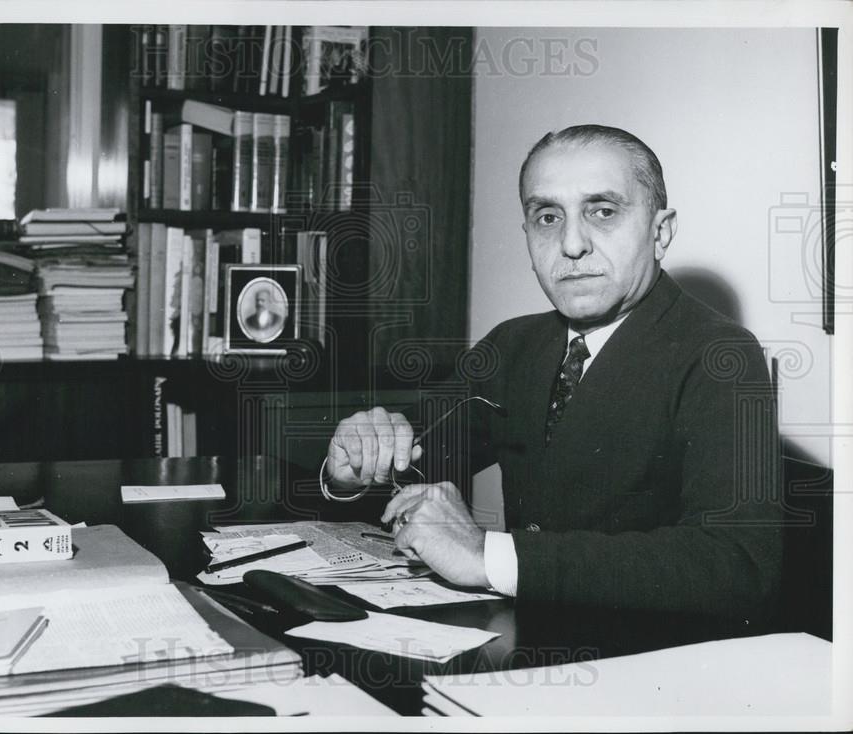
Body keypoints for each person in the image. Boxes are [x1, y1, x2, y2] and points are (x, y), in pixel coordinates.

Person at [326, 125, 781, 619]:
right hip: (521, 640)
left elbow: (738, 565)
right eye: (547, 217)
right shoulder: (514, 343)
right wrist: (354, 466)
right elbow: (411, 461)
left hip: (638, 662)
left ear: (660, 232)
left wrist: (487, 555)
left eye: (602, 212)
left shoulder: (721, 353)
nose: (570, 244)